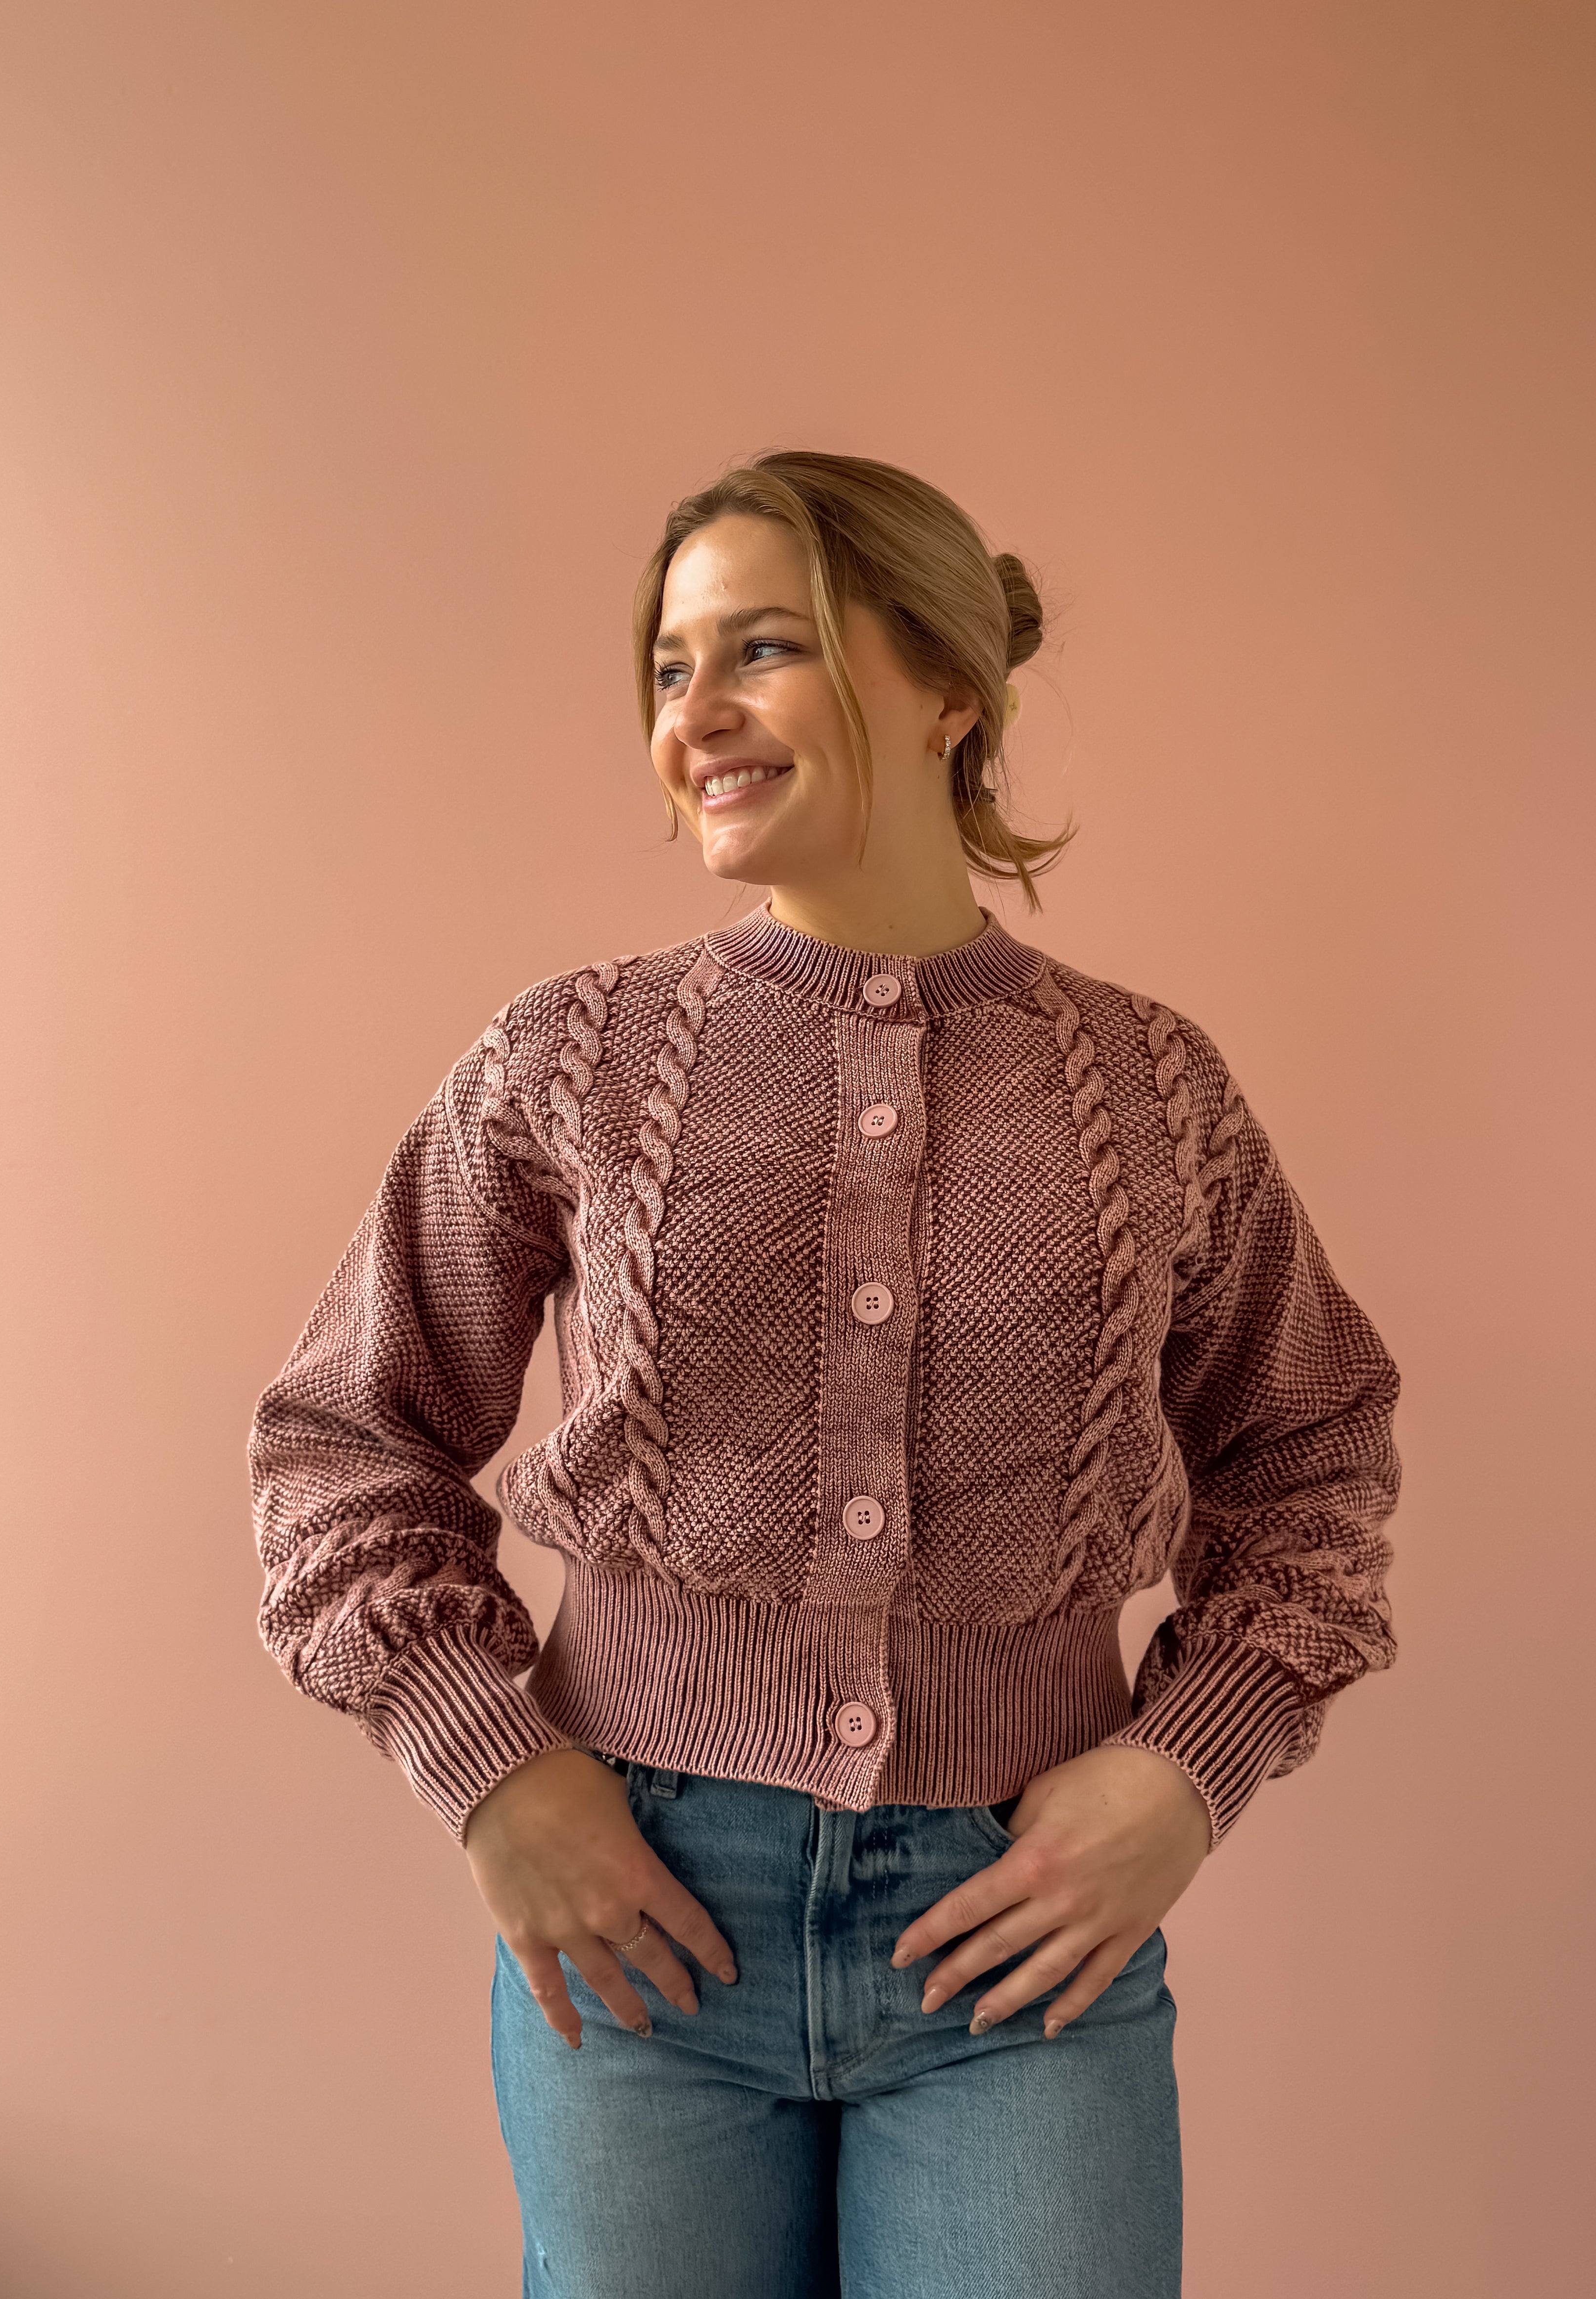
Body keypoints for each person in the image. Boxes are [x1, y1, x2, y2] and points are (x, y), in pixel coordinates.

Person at [249, 450, 1400, 2299]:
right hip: (640, 1916)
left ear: (947, 686)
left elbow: (1311, 1448)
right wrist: (491, 1767)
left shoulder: (1150, 1087)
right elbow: (343, 1434)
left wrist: (1185, 1770)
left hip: (1018, 1933)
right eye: (666, 668)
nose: (691, 713)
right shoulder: (572, 1058)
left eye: (761, 648)